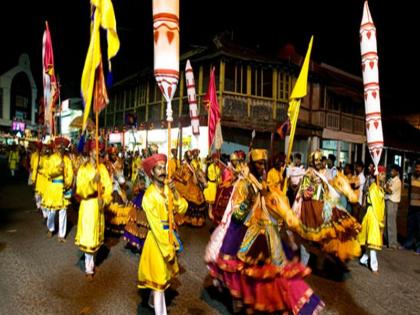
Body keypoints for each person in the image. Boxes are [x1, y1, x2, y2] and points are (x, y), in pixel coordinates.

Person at [207, 149, 324, 314]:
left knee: (281, 270)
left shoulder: (262, 180)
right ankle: (241, 299)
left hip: (268, 230)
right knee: (245, 272)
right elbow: (238, 213)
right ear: (252, 164)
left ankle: (297, 302)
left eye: (263, 163)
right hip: (248, 232)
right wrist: (249, 200)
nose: (262, 167)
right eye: (259, 164)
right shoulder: (244, 183)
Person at [138, 153, 188, 315]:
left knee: (162, 279)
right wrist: (167, 250)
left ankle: (152, 301)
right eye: (159, 168)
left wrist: (175, 193)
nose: (163, 171)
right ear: (152, 172)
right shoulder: (149, 197)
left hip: (169, 238)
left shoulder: (168, 189)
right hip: (157, 242)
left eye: (164, 167)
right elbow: (157, 227)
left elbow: (182, 208)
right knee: (160, 281)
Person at [75, 140, 113, 280]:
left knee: (97, 237)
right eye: (96, 150)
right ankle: (88, 269)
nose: (99, 152)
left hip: (99, 205)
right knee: (89, 238)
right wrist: (92, 181)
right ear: (90, 152)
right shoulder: (83, 169)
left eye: (100, 150)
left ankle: (92, 263)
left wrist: (105, 199)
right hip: (88, 206)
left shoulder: (102, 168)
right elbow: (80, 189)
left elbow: (108, 187)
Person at [42, 137, 74, 242]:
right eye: (59, 147)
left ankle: (61, 235)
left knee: (63, 212)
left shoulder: (67, 160)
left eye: (63, 147)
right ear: (56, 147)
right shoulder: (52, 158)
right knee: (51, 212)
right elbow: (49, 173)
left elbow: (70, 175)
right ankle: (50, 228)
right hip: (53, 189)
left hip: (64, 190)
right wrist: (59, 169)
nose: (61, 149)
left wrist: (68, 183)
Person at [358, 166, 386, 273]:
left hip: (374, 215)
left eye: (384, 174)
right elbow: (376, 206)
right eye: (382, 174)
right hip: (373, 215)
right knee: (374, 241)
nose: (384, 176)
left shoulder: (379, 188)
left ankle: (364, 259)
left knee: (371, 240)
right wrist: (380, 221)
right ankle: (374, 267)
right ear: (378, 175)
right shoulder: (374, 188)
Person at [174, 150, 207, 227]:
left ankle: (197, 219)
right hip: (185, 184)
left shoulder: (192, 165)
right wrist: (182, 179)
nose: (191, 157)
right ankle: (186, 218)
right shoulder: (183, 165)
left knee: (198, 194)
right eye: (189, 156)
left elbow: (195, 174)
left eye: (191, 156)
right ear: (186, 157)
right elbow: (177, 174)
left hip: (192, 182)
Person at [403, 161, 420, 253]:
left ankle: (418, 247)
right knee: (410, 227)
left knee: (419, 228)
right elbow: (409, 191)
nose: (418, 169)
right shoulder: (411, 177)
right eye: (417, 167)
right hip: (411, 206)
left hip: (419, 208)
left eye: (419, 168)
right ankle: (408, 244)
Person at [384, 164, 402, 249]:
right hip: (387, 201)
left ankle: (393, 244)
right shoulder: (390, 179)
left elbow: (389, 191)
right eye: (391, 170)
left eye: (393, 170)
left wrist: (386, 187)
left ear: (397, 172)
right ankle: (388, 242)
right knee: (385, 222)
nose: (391, 172)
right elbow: (384, 188)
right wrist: (386, 187)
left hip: (392, 202)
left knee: (391, 224)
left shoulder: (397, 181)